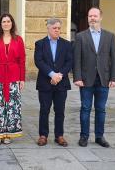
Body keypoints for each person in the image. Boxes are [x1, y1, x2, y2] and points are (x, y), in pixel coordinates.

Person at [73, 7, 115, 148]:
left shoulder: (110, 36)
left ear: (100, 17)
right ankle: (84, 136)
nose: (92, 18)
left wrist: (114, 78)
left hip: (103, 79)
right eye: (90, 16)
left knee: (101, 109)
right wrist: (77, 77)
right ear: (87, 18)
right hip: (86, 79)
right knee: (85, 108)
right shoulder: (80, 36)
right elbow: (77, 59)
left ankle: (99, 136)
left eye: (95, 16)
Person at [0, 13, 25, 145]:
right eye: (4, 21)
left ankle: (8, 133)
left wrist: (22, 79)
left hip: (13, 76)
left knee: (12, 106)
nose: (6, 23)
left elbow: (22, 60)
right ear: (0, 24)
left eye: (8, 21)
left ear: (12, 23)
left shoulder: (18, 39)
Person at [34, 18, 73, 147]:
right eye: (54, 28)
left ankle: (59, 135)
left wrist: (59, 75)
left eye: (58, 28)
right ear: (48, 28)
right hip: (45, 82)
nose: (57, 30)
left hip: (61, 83)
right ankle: (43, 135)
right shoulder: (40, 44)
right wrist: (51, 74)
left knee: (60, 110)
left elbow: (69, 62)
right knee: (44, 109)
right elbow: (39, 61)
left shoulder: (67, 44)